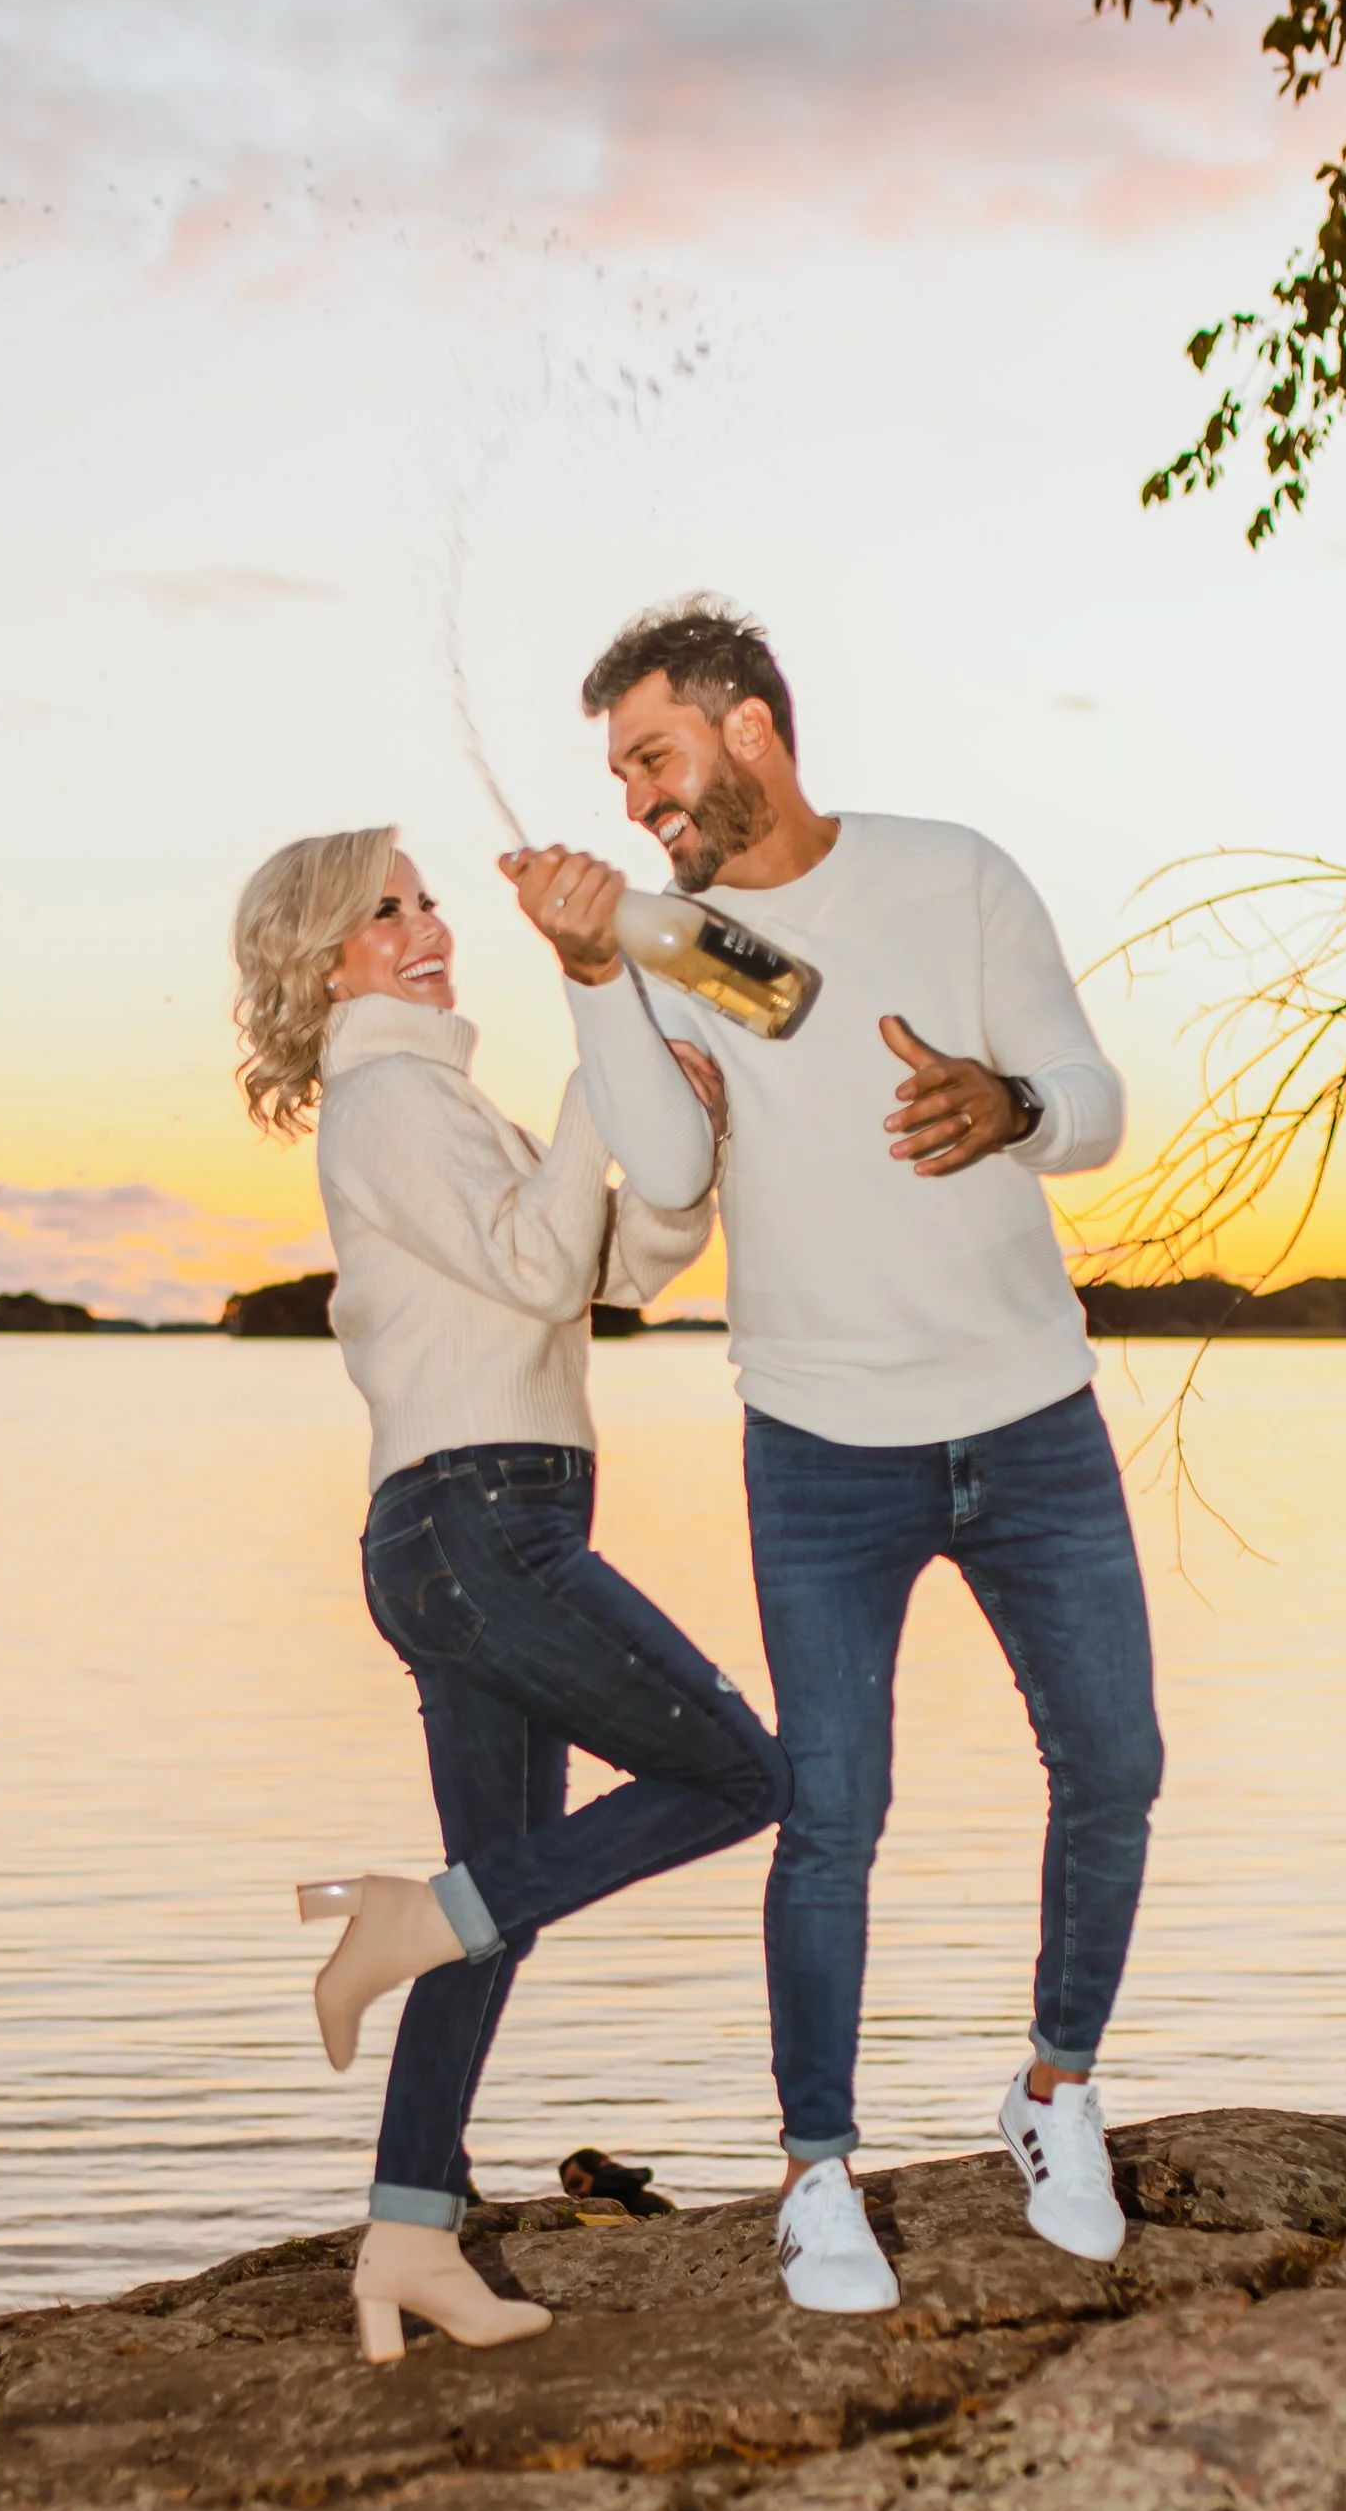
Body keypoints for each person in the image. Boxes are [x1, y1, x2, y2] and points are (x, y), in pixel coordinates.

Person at [504, 597, 1161, 2314]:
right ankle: (815, 2173)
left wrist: (1009, 1104)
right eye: (622, 772)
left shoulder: (953, 875)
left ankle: (1052, 2092)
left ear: (748, 727)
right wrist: (595, 974)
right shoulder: (690, 941)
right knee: (835, 1810)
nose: (639, 799)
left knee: (1116, 1762)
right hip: (818, 1445)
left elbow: (1095, 1099)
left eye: (655, 755)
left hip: (1030, 1417)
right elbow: (661, 1172)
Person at [231, 825, 792, 2366]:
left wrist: (679, 1146)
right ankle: (422, 1918)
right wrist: (594, 1086)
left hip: (466, 1526)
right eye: (383, 912)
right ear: (318, 962)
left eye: (424, 901)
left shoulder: (428, 1095)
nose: (429, 927)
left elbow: (603, 1270)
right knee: (739, 1772)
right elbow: (550, 1274)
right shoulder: (393, 1095)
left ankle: (410, 2231)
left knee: (491, 1899)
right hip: (484, 1527)